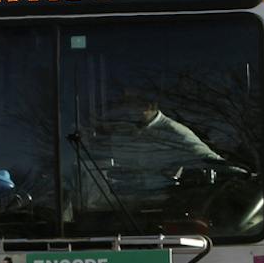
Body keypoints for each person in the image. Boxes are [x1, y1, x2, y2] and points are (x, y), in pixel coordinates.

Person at [87, 84, 220, 200]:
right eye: (124, 104)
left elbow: (211, 159)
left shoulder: (174, 132)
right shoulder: (126, 128)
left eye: (129, 104)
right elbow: (99, 138)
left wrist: (239, 177)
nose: (125, 109)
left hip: (164, 202)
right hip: (123, 203)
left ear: (146, 107)